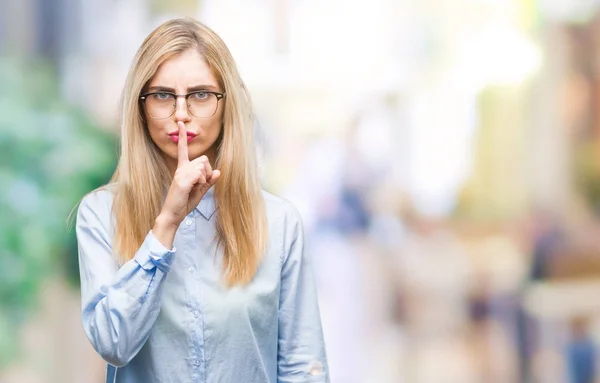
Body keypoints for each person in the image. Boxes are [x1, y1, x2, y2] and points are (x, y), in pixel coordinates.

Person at [75, 17, 329, 383]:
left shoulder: (279, 222)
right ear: (141, 107)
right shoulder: (100, 214)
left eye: (200, 95)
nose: (181, 114)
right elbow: (113, 344)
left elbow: (303, 366)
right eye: (163, 95)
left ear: (227, 104)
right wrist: (165, 226)